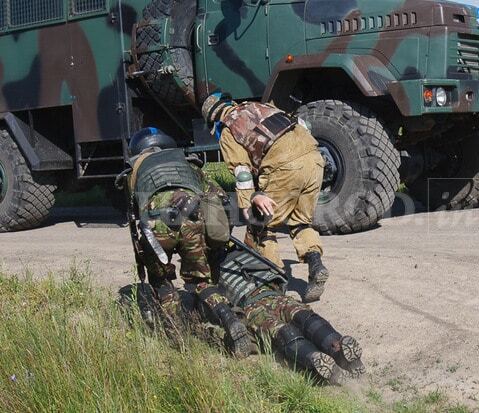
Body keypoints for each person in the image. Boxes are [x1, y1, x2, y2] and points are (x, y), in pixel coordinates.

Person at [119, 127, 252, 356]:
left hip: (156, 225)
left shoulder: (134, 169)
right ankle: (230, 321)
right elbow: (218, 197)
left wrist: (142, 256)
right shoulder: (186, 162)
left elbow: (133, 217)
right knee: (201, 281)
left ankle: (179, 339)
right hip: (192, 217)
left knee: (162, 282)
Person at [201, 93, 329, 303]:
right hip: (314, 159)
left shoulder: (228, 129)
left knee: (261, 226)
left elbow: (242, 171)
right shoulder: (261, 107)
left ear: (213, 120)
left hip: (284, 166)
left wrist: (248, 201)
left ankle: (276, 284)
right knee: (301, 222)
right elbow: (303, 125)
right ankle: (316, 265)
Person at [213, 245, 366, 384]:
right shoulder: (243, 251)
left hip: (258, 303)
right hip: (268, 299)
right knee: (298, 320)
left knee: (289, 326)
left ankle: (319, 358)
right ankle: (335, 351)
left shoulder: (222, 260)